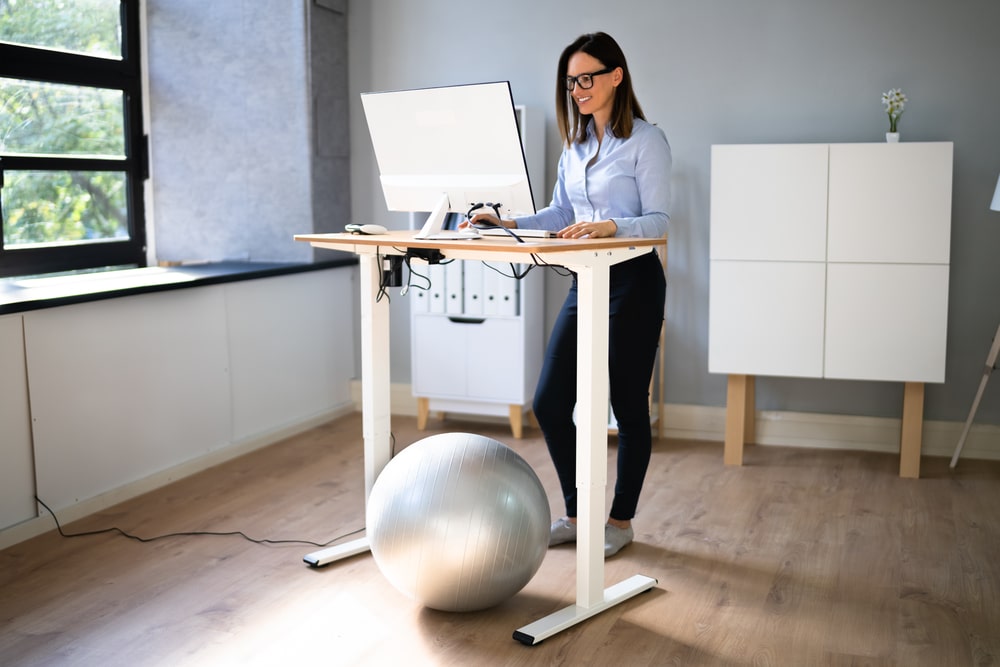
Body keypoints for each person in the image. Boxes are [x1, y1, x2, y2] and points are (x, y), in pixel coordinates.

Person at [466, 32, 671, 557]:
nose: (577, 90)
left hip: (634, 283)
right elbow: (560, 212)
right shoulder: (574, 146)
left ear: (616, 76)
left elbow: (659, 221)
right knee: (550, 402)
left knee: (627, 406)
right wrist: (506, 222)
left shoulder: (646, 140)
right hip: (587, 280)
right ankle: (578, 515)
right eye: (570, 82)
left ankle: (620, 522)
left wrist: (612, 226)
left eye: (586, 79)